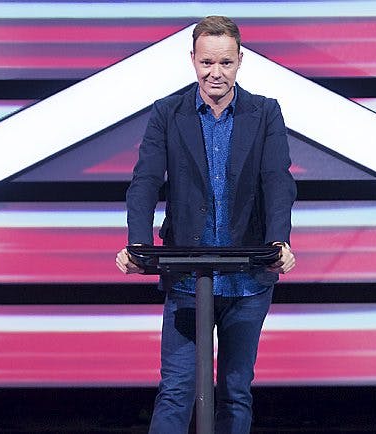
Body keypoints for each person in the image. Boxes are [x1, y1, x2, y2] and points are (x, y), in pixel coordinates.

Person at [116, 15, 296, 434]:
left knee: (234, 393)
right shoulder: (167, 113)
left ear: (240, 61)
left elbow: (277, 181)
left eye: (226, 63)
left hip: (247, 282)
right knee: (177, 390)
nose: (216, 72)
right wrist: (138, 246)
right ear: (193, 60)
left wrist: (279, 242)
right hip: (186, 280)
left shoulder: (265, 113)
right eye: (207, 62)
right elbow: (145, 182)